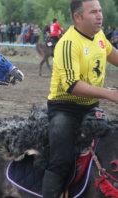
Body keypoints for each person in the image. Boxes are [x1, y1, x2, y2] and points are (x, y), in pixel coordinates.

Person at [43, 0, 118, 197]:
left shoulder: (99, 35)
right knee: (60, 162)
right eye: (93, 12)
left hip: (91, 106)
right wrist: (110, 94)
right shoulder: (68, 43)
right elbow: (72, 85)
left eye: (100, 11)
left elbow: (113, 56)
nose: (100, 15)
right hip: (64, 109)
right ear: (78, 17)